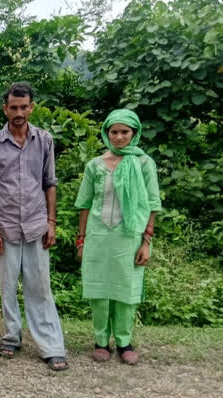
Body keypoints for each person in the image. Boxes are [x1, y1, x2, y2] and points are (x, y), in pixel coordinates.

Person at [0, 82, 69, 371]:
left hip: (35, 225)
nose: (18, 112)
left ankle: (51, 346)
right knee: (7, 287)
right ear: (5, 109)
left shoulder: (44, 141)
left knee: (40, 287)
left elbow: (49, 183)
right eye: (13, 107)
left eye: (23, 107)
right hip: (5, 227)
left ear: (31, 107)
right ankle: (11, 337)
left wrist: (51, 223)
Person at [74, 109, 161, 365]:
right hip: (98, 234)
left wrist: (146, 242)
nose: (120, 137)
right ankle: (101, 340)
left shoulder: (144, 163)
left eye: (125, 132)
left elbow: (153, 204)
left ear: (134, 133)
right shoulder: (95, 165)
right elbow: (84, 204)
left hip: (129, 234)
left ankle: (124, 342)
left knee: (126, 289)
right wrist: (81, 240)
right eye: (114, 132)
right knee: (99, 289)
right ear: (107, 133)